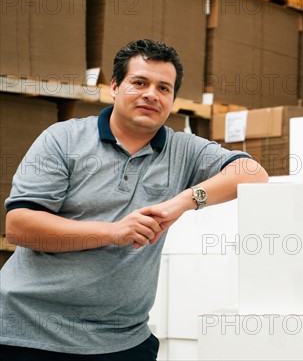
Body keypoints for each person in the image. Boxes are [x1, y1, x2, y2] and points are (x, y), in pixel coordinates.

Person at [1, 39, 268, 360]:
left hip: (122, 338)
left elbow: (253, 173)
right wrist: (115, 232)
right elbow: (19, 227)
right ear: (114, 87)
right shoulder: (64, 139)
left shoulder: (183, 149)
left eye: (163, 88)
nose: (151, 94)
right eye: (139, 83)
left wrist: (185, 200)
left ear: (172, 99)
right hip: (29, 332)